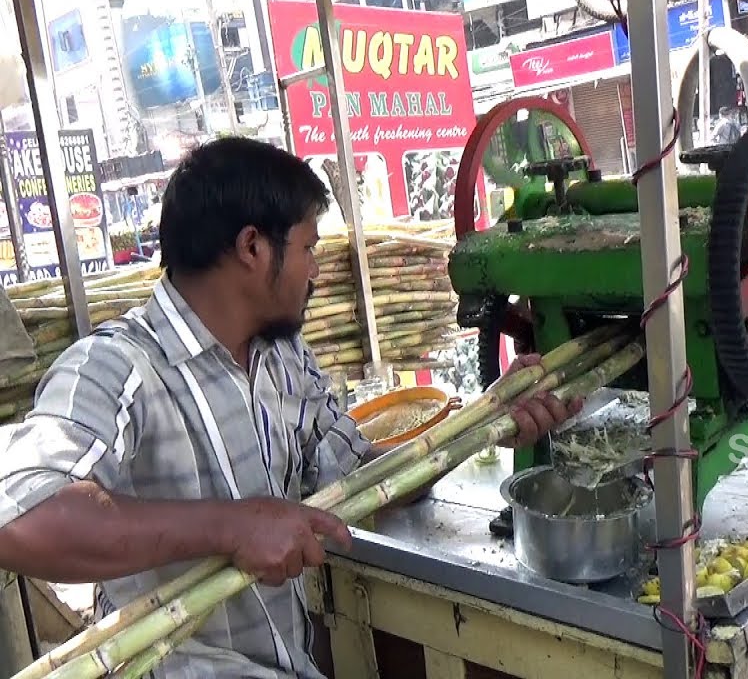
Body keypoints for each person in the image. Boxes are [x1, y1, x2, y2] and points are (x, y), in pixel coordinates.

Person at [0, 137, 580, 678]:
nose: (316, 270)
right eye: (307, 247)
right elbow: (21, 517)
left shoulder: (282, 359)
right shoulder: (118, 367)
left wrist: (485, 422)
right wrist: (231, 525)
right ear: (253, 247)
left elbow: (358, 480)